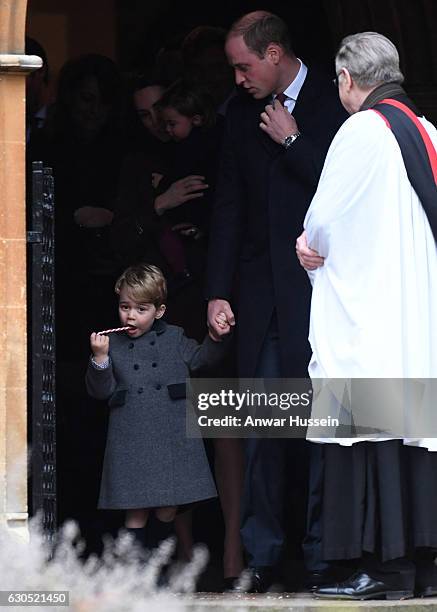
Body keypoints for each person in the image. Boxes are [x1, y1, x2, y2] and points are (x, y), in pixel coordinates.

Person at [206, 10, 348, 592]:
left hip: (327, 293)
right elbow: (229, 207)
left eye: (243, 66)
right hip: (263, 299)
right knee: (265, 428)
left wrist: (292, 139)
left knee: (325, 430)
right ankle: (263, 556)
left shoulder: (338, 102)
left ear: (273, 53)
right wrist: (216, 290)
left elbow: (346, 194)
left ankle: (322, 556)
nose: (237, 79)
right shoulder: (238, 113)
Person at [294, 32, 437, 600]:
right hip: (414, 314)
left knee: (366, 428)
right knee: (412, 429)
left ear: (349, 79)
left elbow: (322, 221)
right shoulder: (427, 132)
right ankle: (419, 567)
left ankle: (377, 566)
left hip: (373, 314)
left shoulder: (360, 130)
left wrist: (306, 246)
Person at [85, 263, 228, 552]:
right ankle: (136, 577)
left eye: (141, 309)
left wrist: (215, 338)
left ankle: (158, 569)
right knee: (136, 511)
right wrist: (100, 359)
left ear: (159, 310)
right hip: (132, 435)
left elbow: (202, 361)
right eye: (125, 307)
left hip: (170, 433)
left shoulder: (174, 337)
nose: (131, 316)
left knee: (167, 508)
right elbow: (100, 391)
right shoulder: (111, 343)